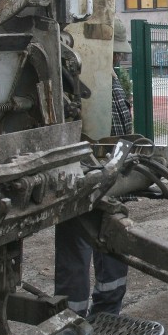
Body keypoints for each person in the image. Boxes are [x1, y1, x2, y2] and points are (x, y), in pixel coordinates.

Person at [54, 18, 133, 317]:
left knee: (113, 245)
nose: (117, 58)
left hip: (111, 176)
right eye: (114, 52)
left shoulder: (109, 78)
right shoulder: (71, 80)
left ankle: (108, 313)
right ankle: (71, 321)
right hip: (83, 176)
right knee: (76, 248)